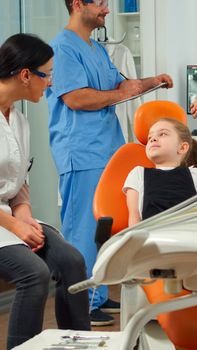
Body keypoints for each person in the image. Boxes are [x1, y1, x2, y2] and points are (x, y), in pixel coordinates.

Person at [46, 0, 173, 326]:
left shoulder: (97, 50)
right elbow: (76, 98)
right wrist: (120, 95)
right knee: (81, 234)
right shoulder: (62, 48)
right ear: (78, 4)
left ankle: (97, 297)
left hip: (107, 152)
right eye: (100, 2)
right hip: (82, 152)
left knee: (104, 231)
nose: (106, 9)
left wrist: (154, 81)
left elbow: (123, 87)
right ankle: (79, 309)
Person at [0, 33, 90, 350]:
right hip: (2, 225)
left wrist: (25, 217)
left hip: (11, 219)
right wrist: (15, 226)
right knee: (33, 272)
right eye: (47, 74)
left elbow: (19, 184)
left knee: (72, 260)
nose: (50, 83)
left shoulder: (20, 121)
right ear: (26, 75)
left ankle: (79, 344)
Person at [123, 118, 197, 227]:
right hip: (152, 239)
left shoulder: (194, 174)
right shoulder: (138, 173)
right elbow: (134, 217)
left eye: (162, 134)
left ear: (182, 147)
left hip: (188, 238)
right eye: (150, 137)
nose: (153, 139)